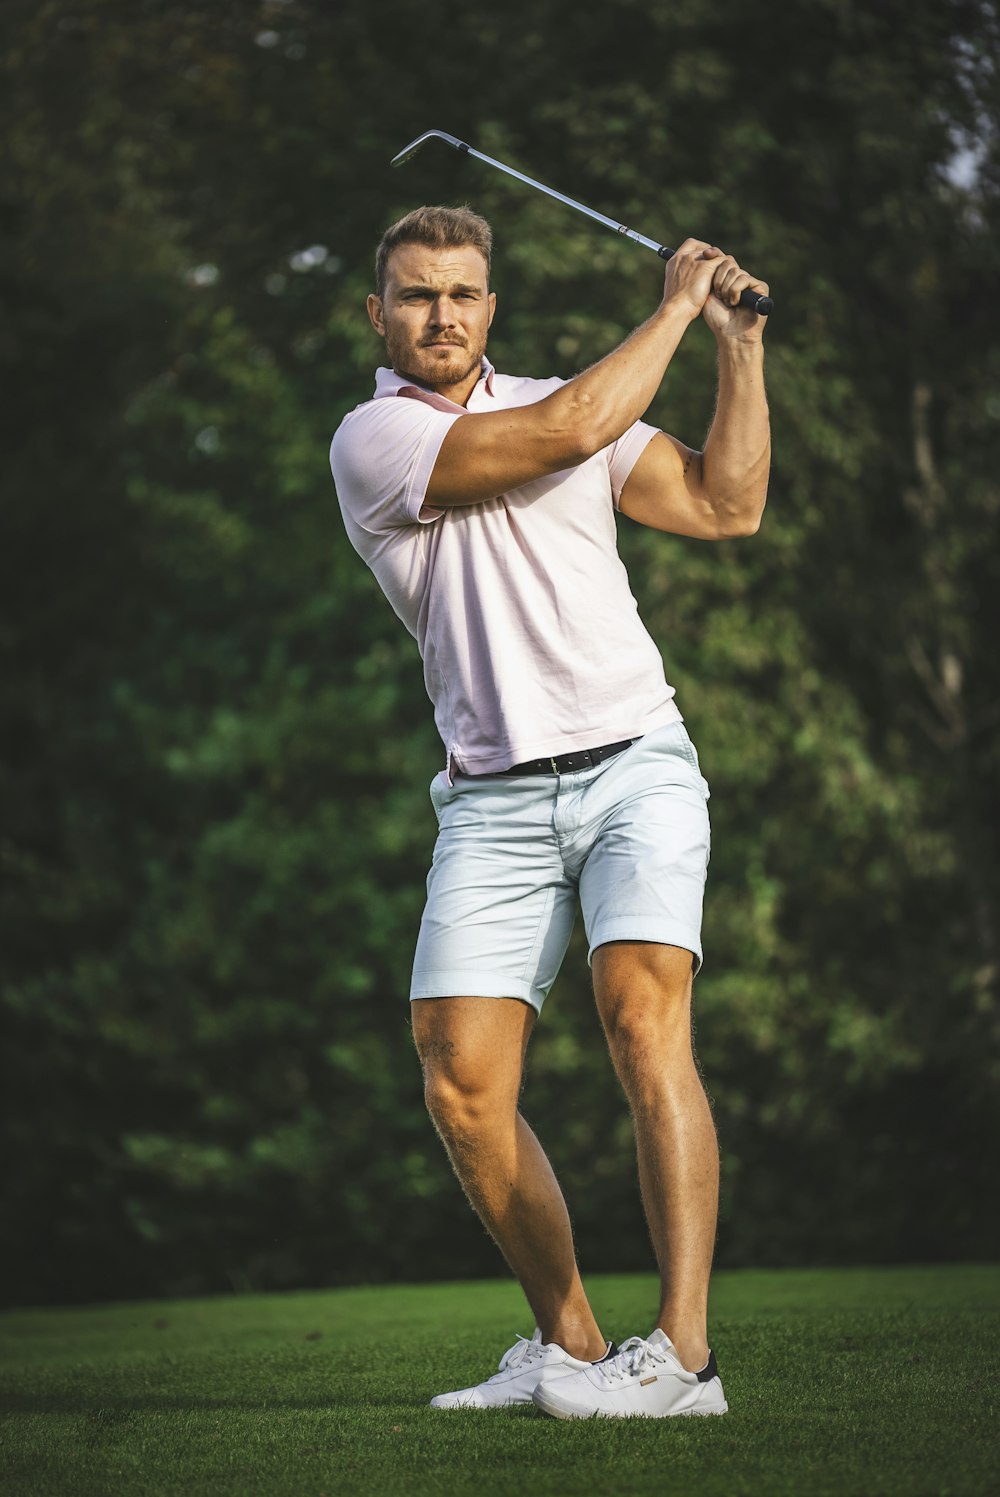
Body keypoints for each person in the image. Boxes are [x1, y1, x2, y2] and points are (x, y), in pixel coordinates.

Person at [330, 203, 769, 1420]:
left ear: (489, 304)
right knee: (461, 1082)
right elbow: (570, 424)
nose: (441, 315)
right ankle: (571, 1346)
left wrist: (737, 348)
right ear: (378, 314)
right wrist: (677, 303)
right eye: (416, 294)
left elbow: (725, 507)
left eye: (462, 293)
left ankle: (682, 1360)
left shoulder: (573, 402)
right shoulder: (372, 439)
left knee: (643, 1019)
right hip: (493, 796)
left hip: (636, 760)